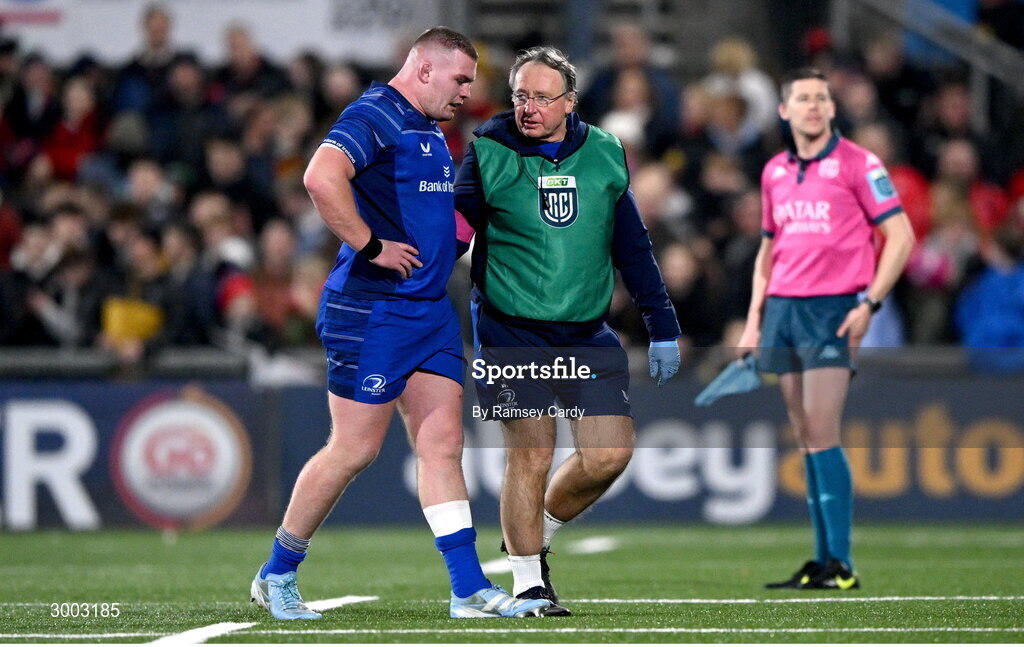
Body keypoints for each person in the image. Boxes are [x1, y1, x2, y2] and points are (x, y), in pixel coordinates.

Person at [250, 27, 550, 621]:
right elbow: (319, 176)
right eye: (461, 78)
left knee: (443, 446)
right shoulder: (376, 114)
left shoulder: (430, 128)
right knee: (353, 449)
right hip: (373, 309)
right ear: (423, 70)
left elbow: (435, 215)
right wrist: (368, 246)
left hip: (429, 311)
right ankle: (277, 573)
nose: (468, 91)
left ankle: (467, 588)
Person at [454, 46, 681, 616]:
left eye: (542, 97)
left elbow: (632, 245)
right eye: (521, 96)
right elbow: (453, 234)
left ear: (570, 102)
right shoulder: (488, 150)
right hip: (511, 328)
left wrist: (663, 324)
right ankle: (528, 582)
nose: (529, 108)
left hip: (585, 330)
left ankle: (535, 534)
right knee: (531, 453)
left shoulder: (605, 152)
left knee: (609, 456)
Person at [737, 67, 914, 589]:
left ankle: (840, 561)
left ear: (833, 109)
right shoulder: (773, 171)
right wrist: (754, 319)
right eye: (803, 99)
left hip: (832, 308)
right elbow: (768, 249)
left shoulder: (860, 164)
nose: (813, 106)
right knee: (806, 434)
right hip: (785, 310)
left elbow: (899, 237)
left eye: (822, 98)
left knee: (820, 429)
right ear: (784, 110)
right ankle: (824, 559)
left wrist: (870, 304)